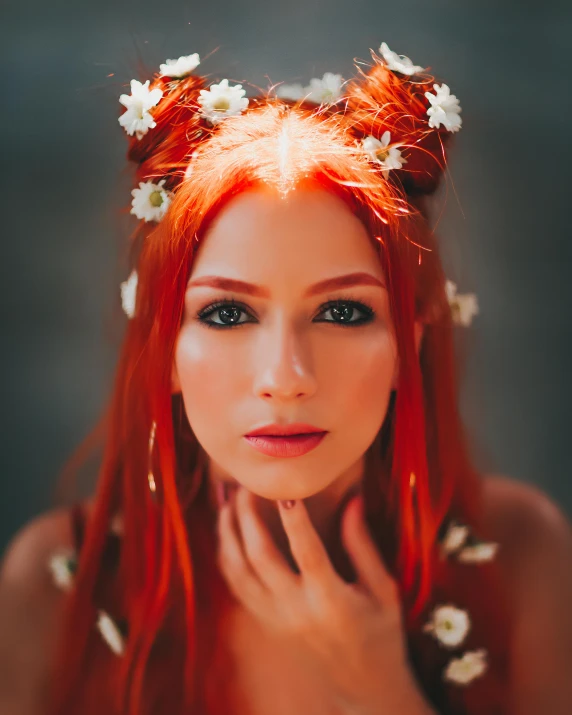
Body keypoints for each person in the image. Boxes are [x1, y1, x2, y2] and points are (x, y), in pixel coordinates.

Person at [1, 42, 571, 715]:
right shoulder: (58, 584)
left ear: (407, 344)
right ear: (163, 348)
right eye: (227, 311)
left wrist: (378, 689)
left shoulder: (519, 553)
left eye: (341, 310)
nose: (285, 378)